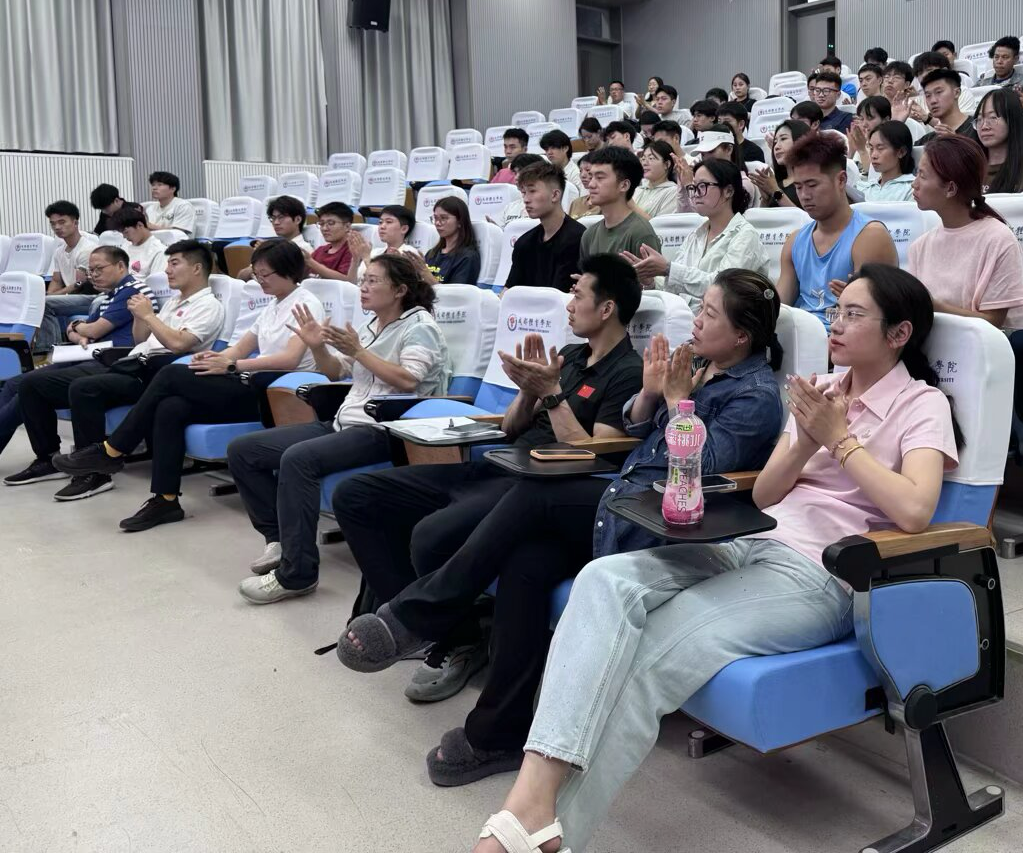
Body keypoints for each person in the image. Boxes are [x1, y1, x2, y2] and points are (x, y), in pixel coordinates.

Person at [460, 262, 960, 853]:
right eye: (836, 311)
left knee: (651, 658)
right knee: (604, 580)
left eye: (854, 314)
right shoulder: (822, 390)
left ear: (899, 333)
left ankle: (529, 833)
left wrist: (838, 440)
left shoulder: (921, 403)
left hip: (821, 573)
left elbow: (915, 511)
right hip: (751, 541)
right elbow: (767, 494)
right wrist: (805, 440)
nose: (836, 324)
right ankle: (533, 803)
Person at [334, 269, 784, 785]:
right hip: (626, 495)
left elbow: (698, 470)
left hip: (661, 519)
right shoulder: (698, 366)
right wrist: (651, 394)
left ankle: (422, 611)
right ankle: (497, 734)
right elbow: (638, 429)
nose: (696, 320)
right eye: (699, 308)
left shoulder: (755, 396)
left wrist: (677, 401)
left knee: (537, 492)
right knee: (525, 564)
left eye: (709, 313)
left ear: (742, 336)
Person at [331, 255, 643, 638]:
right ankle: (423, 624)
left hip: (533, 485)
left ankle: (435, 632)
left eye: (577, 296)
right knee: (356, 495)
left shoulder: (628, 371)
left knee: (430, 536)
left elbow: (595, 452)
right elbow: (510, 428)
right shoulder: (571, 355)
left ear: (607, 308)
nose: (569, 305)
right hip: (497, 464)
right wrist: (527, 392)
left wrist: (550, 394)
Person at [52, 239, 328, 531]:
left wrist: (232, 366)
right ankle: (166, 500)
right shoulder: (273, 305)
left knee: (172, 375)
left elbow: (290, 359)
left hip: (276, 390)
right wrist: (216, 358)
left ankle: (113, 449)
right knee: (171, 407)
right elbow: (239, 348)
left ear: (288, 270)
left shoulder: (305, 303)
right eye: (257, 274)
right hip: (250, 379)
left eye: (265, 274)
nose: (259, 280)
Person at [227, 253, 450, 604]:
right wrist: (318, 347)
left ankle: (297, 574)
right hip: (345, 421)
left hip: (386, 428)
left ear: (400, 290)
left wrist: (359, 351)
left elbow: (409, 380)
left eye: (373, 281)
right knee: (244, 450)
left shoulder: (420, 326)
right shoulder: (372, 325)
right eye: (362, 281)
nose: (363, 288)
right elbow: (334, 372)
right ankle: (280, 540)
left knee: (298, 459)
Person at [8, 242, 220, 501]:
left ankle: (94, 474)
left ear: (197, 268)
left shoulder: (208, 305)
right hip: (133, 363)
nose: (167, 270)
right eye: (167, 264)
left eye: (174, 263)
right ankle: (47, 458)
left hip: (157, 375)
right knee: (32, 384)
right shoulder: (174, 302)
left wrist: (148, 316)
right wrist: (141, 318)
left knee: (85, 388)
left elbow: (178, 344)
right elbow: (141, 339)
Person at [0, 246, 154, 475]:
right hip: (88, 354)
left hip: (113, 361)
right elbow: (76, 332)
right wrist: (79, 329)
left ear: (121, 266)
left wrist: (79, 328)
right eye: (91, 271)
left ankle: (51, 458)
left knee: (29, 385)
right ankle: (47, 458)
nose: (94, 275)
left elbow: (92, 330)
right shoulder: (107, 296)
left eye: (99, 269)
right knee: (14, 383)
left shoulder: (133, 292)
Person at [777, 133, 897, 325]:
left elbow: (875, 319)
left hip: (847, 337)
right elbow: (779, 309)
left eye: (812, 185)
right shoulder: (794, 241)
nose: (804, 195)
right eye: (798, 187)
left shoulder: (870, 237)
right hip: (801, 336)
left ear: (841, 180)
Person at [908, 134, 1023, 328]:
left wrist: (932, 306)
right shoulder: (919, 247)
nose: (914, 184)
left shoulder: (999, 240)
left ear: (950, 189)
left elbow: (994, 322)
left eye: (922, 175)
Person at [622, 159, 768, 311]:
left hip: (725, 320)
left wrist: (668, 269)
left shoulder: (746, 236)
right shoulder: (696, 234)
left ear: (728, 191)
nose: (696, 194)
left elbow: (723, 288)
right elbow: (675, 288)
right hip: (687, 317)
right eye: (694, 186)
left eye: (703, 186)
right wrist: (649, 280)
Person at [506, 161, 586, 292]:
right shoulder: (524, 243)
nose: (526, 199)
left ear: (555, 195)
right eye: (523, 192)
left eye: (532, 191)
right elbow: (509, 290)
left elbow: (562, 295)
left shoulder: (578, 238)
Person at [35, 201, 100, 353]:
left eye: (62, 222)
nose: (57, 227)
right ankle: (50, 347)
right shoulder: (59, 251)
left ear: (75, 222)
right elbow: (56, 280)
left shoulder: (87, 250)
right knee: (43, 301)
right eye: (53, 224)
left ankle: (49, 350)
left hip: (89, 297)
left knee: (44, 303)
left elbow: (79, 286)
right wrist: (52, 294)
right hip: (71, 295)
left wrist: (52, 296)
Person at [578, 146, 661, 262]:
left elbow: (652, 273)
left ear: (624, 185)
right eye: (591, 177)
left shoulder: (640, 233)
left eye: (600, 178)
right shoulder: (589, 235)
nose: (591, 184)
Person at [972, 87, 1023, 193]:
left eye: (993, 118)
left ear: (1012, 119)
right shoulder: (972, 164)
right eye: (980, 119)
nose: (984, 126)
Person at [422, 195, 481, 286]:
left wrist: (425, 273)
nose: (437, 223)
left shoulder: (467, 257)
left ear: (460, 222)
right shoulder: (432, 253)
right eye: (435, 218)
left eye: (443, 218)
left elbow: (455, 293)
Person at [853, 120, 916, 201]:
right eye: (871, 148)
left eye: (880, 148)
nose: (873, 155)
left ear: (901, 152)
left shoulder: (913, 188)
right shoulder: (863, 187)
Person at [750, 119, 804, 210]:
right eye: (775, 142)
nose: (776, 147)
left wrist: (776, 192)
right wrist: (765, 199)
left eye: (783, 139)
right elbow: (763, 217)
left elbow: (806, 218)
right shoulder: (776, 183)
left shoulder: (810, 182)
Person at [304, 201, 356, 282]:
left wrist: (311, 262)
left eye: (331, 223)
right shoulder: (319, 250)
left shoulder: (352, 251)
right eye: (321, 224)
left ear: (347, 226)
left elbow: (347, 281)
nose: (324, 228)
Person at [113, 205, 168, 279]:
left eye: (126, 232)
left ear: (140, 225)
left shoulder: (159, 251)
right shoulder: (125, 245)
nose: (124, 237)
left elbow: (155, 282)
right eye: (122, 233)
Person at [920, 68, 974, 138]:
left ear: (957, 93)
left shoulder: (978, 129)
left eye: (938, 92)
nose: (933, 101)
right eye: (928, 95)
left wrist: (955, 140)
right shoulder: (927, 140)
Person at [632, 140, 680, 219]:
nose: (644, 163)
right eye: (643, 159)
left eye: (651, 158)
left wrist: (631, 205)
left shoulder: (674, 192)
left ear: (667, 164)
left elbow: (660, 225)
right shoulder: (637, 190)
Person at [807, 68, 852, 134]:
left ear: (838, 95)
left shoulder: (846, 119)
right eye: (817, 90)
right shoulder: (807, 117)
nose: (821, 95)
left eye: (826, 91)